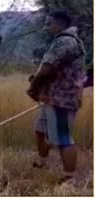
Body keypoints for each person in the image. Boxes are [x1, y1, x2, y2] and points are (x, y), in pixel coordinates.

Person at [26, 11, 87, 183]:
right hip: (52, 97)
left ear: (59, 24)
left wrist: (33, 87)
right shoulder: (66, 40)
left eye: (49, 23)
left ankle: (69, 177)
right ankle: (42, 160)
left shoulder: (65, 41)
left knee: (63, 138)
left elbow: (47, 68)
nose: (47, 27)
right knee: (40, 129)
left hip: (61, 98)